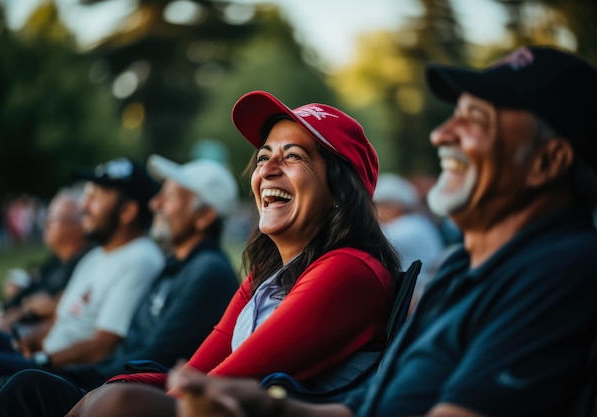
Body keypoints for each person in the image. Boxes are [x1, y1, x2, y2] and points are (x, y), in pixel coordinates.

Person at [139, 46, 597, 417]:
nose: (441, 134)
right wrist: (267, 405)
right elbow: (365, 407)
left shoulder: (561, 268)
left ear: (547, 163)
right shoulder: (463, 267)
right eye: (263, 156)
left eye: (476, 120)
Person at [41, 90, 402, 417]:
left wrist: (113, 394)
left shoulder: (349, 269)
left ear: (340, 190)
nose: (268, 169)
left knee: (113, 404)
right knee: (39, 388)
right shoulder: (266, 271)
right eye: (263, 157)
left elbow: (211, 385)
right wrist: (114, 386)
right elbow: (195, 373)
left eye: (292, 156)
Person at [0, 155, 241, 417]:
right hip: (112, 382)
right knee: (10, 379)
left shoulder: (209, 274)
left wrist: (62, 371)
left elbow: (156, 357)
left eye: (170, 196)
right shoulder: (178, 265)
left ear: (205, 216)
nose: (155, 203)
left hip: (130, 394)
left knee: (20, 383)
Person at [0, 157, 165, 417]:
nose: (84, 205)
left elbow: (104, 343)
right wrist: (35, 338)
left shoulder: (140, 258)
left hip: (75, 371)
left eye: (97, 197)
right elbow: (63, 314)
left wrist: (43, 359)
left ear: (127, 211)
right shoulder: (97, 254)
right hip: (49, 355)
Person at [0, 186, 94, 332]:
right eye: (46, 218)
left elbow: (57, 308)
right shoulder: (59, 258)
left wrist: (24, 310)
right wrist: (18, 298)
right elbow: (38, 291)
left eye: (53, 219)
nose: (46, 224)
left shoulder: (86, 263)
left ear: (78, 228)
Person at [373, 173, 445, 306]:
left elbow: (372, 242)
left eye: (380, 204)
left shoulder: (412, 226)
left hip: (414, 299)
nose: (375, 211)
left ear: (396, 206)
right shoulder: (417, 223)